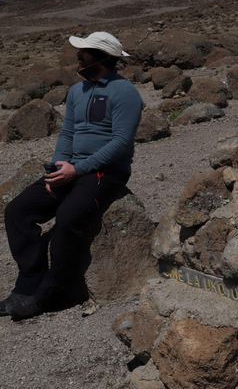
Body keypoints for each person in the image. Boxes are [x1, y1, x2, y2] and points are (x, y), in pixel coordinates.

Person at [2, 32, 143, 320]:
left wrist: (77, 170)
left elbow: (120, 143)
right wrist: (58, 169)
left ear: (103, 58)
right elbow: (67, 133)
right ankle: (27, 285)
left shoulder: (125, 92)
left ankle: (51, 294)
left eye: (84, 52)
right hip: (70, 168)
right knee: (17, 211)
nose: (77, 56)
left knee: (68, 217)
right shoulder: (77, 91)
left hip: (107, 171)